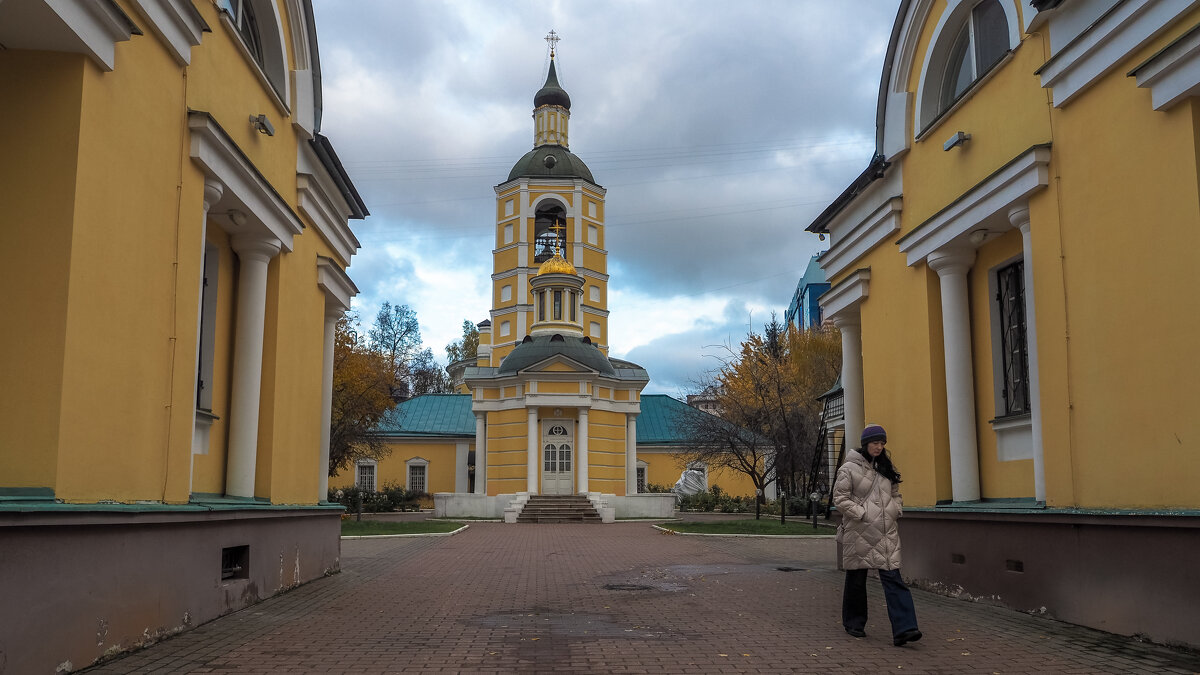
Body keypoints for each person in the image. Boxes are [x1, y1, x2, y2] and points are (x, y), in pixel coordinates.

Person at [833, 424, 923, 647]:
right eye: (875, 443)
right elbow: (840, 498)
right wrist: (862, 514)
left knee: (893, 578)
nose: (879, 447)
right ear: (865, 444)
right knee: (856, 579)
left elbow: (895, 494)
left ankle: (905, 629)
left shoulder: (885, 467)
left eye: (882, 443)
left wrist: (895, 510)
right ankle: (854, 623)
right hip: (859, 531)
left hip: (886, 533)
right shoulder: (848, 468)